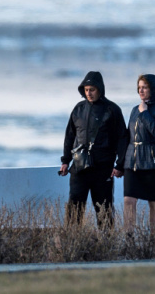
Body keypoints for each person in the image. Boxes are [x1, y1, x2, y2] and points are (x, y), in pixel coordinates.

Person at [59, 71, 126, 228]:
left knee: (104, 209)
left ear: (100, 89)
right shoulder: (78, 109)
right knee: (74, 208)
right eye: (86, 90)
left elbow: (122, 138)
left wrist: (120, 164)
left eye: (92, 90)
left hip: (103, 168)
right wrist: (65, 161)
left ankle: (107, 241)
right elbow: (69, 136)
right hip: (79, 167)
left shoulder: (112, 109)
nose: (89, 93)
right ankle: (72, 239)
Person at [117, 73, 155, 235]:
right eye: (139, 87)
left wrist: (145, 113)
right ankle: (129, 239)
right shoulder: (135, 109)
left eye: (145, 87)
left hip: (153, 159)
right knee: (128, 200)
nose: (141, 91)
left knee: (154, 202)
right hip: (132, 160)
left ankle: (153, 240)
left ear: (153, 89)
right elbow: (128, 137)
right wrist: (120, 164)